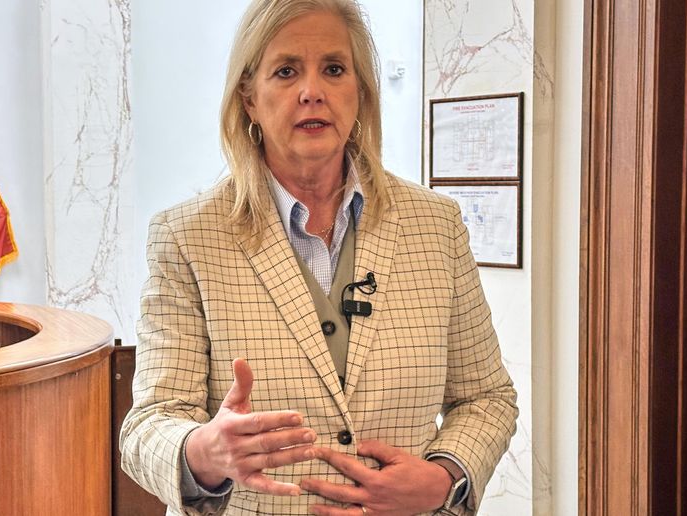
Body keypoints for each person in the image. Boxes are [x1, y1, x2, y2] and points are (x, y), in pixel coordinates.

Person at [119, 0, 518, 514]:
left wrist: (446, 478)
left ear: (360, 92)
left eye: (334, 69)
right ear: (249, 98)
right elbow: (148, 425)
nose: (313, 91)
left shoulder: (434, 225)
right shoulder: (187, 237)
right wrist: (205, 450)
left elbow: (486, 397)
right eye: (286, 71)